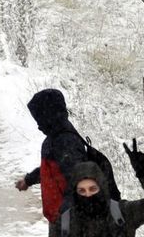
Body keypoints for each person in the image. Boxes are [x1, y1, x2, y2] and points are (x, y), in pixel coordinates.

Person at [16, 88, 89, 221]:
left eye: (39, 119)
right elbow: (51, 170)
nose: (39, 126)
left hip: (70, 222)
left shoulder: (65, 141)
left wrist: (67, 216)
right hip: (61, 220)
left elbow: (78, 181)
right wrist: (29, 180)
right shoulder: (55, 136)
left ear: (49, 115)